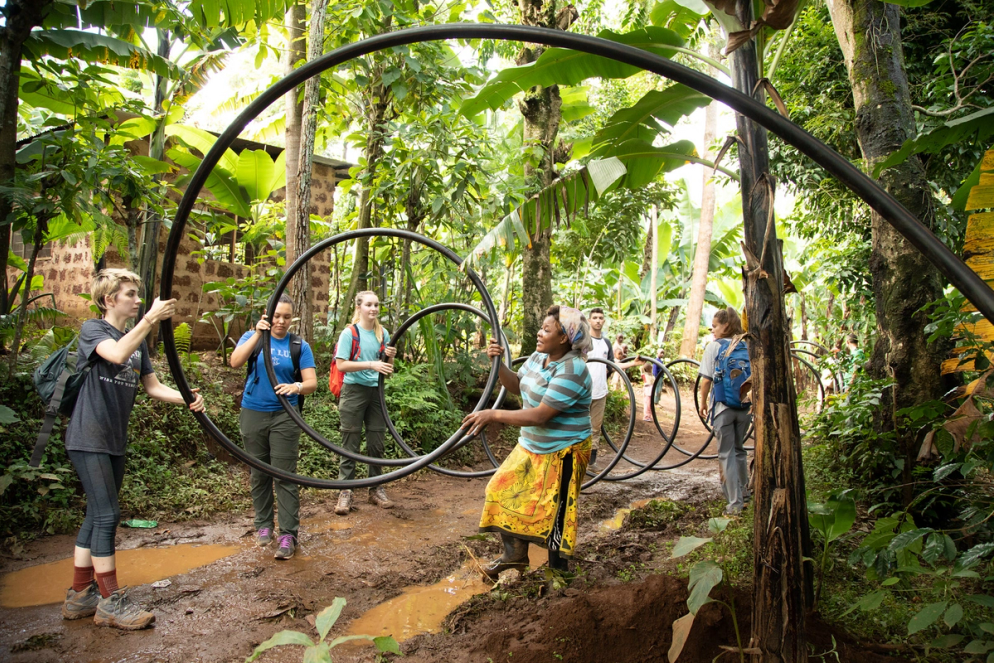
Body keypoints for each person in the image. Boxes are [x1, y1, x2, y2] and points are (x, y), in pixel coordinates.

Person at [62, 269, 205, 630]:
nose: (138, 300)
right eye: (130, 294)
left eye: (138, 295)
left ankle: (80, 595)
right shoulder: (94, 331)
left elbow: (153, 386)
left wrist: (187, 398)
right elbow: (114, 354)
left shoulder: (137, 340)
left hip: (114, 439)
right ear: (109, 300)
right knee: (108, 515)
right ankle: (110, 601)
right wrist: (148, 320)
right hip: (87, 436)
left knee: (96, 515)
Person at [462, 306, 593, 577]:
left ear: (564, 339)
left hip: (564, 450)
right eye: (541, 327)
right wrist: (498, 365)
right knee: (499, 489)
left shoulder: (573, 368)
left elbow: (541, 415)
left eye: (547, 329)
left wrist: (492, 414)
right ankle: (515, 557)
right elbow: (517, 384)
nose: (539, 332)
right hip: (531, 446)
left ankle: (559, 573)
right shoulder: (537, 356)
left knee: (556, 512)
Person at [230, 294, 318, 561]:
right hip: (253, 412)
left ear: (293, 318)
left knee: (285, 475)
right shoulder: (252, 337)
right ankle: (264, 525)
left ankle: (288, 534)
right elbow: (235, 362)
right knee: (259, 473)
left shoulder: (298, 345)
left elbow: (312, 383)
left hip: (285, 415)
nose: (281, 321)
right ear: (268, 314)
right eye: (277, 316)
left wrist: (296, 386)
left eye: (287, 317)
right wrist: (258, 333)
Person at [333, 291, 398, 516]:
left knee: (376, 441)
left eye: (376, 305)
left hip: (376, 392)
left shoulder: (383, 333)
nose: (373, 309)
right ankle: (345, 491)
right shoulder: (349, 333)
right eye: (369, 304)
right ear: (359, 306)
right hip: (353, 391)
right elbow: (341, 365)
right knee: (350, 441)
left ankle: (375, 488)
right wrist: (371, 365)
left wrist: (390, 356)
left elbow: (388, 370)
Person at [698, 307, 751, 515]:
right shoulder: (746, 345)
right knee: (739, 450)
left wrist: (703, 403)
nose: (713, 330)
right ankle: (745, 495)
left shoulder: (714, 347)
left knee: (726, 453)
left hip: (722, 408)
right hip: (745, 408)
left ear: (726, 326)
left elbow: (706, 380)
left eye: (715, 326)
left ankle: (734, 504)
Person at [586, 308, 640, 466]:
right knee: (577, 428)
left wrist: (634, 363)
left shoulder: (606, 343)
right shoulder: (583, 341)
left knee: (595, 429)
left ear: (603, 321)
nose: (597, 320)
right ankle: (574, 464)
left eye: (600, 318)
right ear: (589, 321)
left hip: (600, 393)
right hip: (581, 392)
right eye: (594, 317)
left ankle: (591, 464)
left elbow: (613, 365)